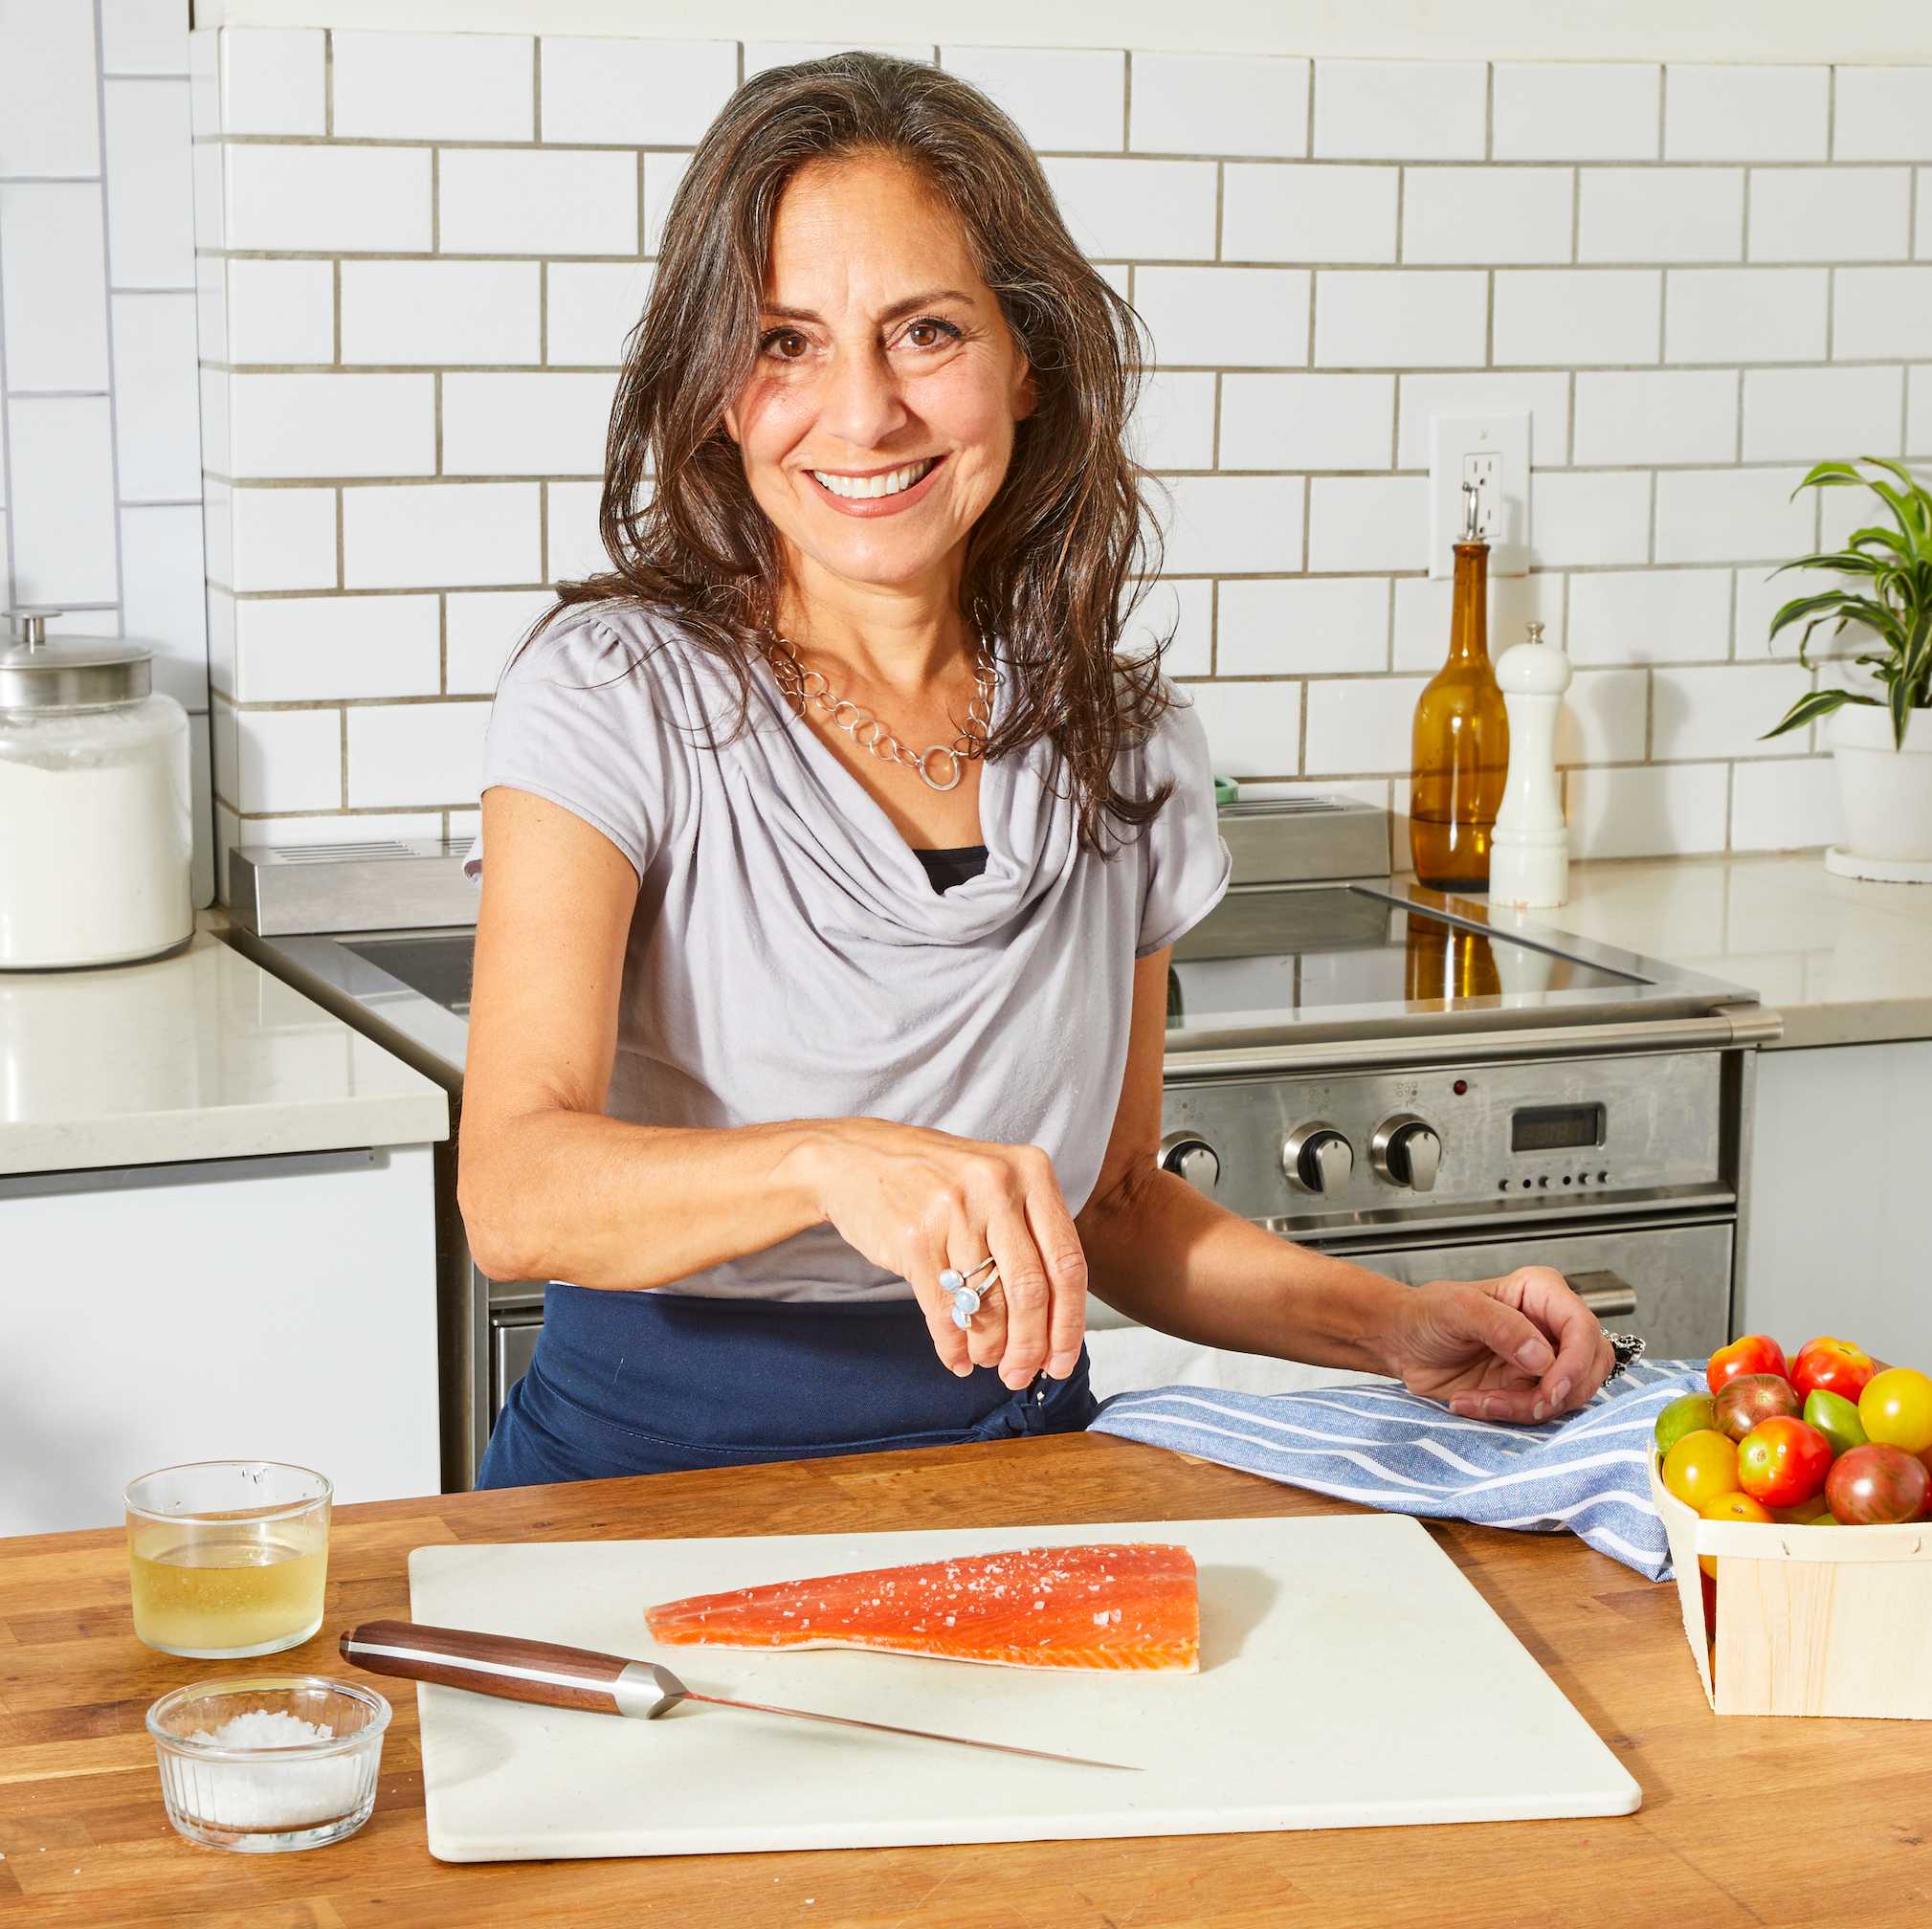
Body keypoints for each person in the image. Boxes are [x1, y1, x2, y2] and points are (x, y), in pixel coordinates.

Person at [456, 52, 1615, 1488]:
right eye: (785, 342)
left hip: (1019, 1479)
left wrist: (1390, 1326)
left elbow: (1116, 1204)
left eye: (926, 332)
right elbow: (514, 1190)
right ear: (714, 391)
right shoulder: (613, 694)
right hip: (648, 1482)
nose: (863, 414)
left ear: (1028, 360)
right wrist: (832, 1162)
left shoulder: (1119, 739)